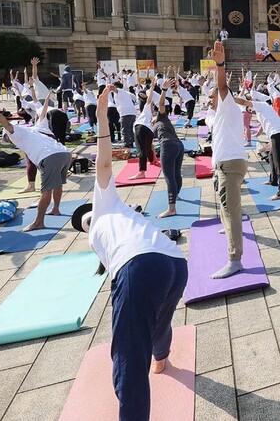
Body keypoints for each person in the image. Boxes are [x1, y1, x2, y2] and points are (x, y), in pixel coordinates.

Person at [70, 86, 187, 421]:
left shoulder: (101, 209)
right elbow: (104, 165)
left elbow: (104, 162)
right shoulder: (116, 212)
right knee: (159, 320)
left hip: (142, 264)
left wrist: (102, 116)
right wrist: (102, 114)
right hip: (174, 262)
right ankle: (162, 358)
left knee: (128, 359)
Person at [0, 100, 72, 232]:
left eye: (5, 138)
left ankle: (38, 222)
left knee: (46, 190)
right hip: (65, 153)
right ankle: (55, 209)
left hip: (50, 156)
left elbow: (7, 125)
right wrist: (46, 100)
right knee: (57, 184)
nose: (7, 141)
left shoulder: (16, 133)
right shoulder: (35, 129)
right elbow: (42, 115)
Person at [208, 41, 251, 278]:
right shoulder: (224, 113)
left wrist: (220, 65)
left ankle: (235, 259)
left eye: (213, 97)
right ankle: (230, 232)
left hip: (231, 165)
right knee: (228, 208)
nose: (211, 100)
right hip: (229, 164)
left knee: (231, 210)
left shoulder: (226, 105)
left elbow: (223, 87)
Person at [153, 79, 184, 219]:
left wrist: (164, 90)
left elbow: (160, 104)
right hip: (178, 145)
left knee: (169, 177)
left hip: (169, 145)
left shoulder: (162, 117)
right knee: (176, 174)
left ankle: (171, 208)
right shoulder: (160, 123)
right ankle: (175, 195)